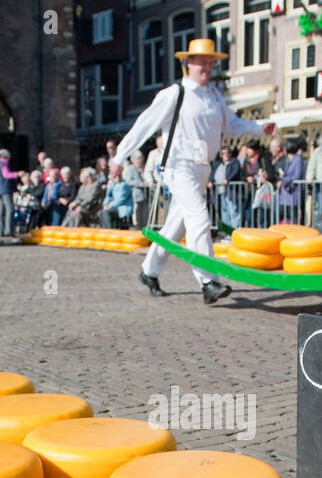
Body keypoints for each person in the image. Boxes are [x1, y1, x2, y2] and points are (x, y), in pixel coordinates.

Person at [112, 37, 274, 304]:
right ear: (189, 63)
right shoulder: (175, 93)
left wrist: (258, 128)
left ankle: (148, 271)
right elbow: (144, 124)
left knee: (176, 225)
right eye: (203, 63)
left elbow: (231, 126)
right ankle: (208, 282)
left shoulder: (213, 96)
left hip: (202, 168)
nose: (208, 69)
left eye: (212, 63)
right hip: (179, 166)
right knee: (199, 219)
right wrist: (120, 155)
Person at [0, 148, 21, 237]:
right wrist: (18, 174)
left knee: (0, 211)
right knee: (9, 209)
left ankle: (0, 230)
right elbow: (6, 175)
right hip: (5, 189)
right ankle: (8, 230)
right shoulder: (3, 165)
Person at [213, 146, 243, 230]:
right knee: (225, 214)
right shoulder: (219, 164)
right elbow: (213, 174)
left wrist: (228, 179)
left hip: (232, 193)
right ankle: (228, 234)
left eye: (227, 153)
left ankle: (235, 234)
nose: (225, 155)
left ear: (230, 154)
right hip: (222, 192)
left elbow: (235, 172)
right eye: (223, 153)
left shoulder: (235, 162)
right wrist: (210, 181)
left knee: (233, 213)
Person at [99, 162, 134, 229]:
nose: (117, 178)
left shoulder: (124, 185)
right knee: (101, 212)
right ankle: (104, 230)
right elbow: (108, 197)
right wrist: (105, 204)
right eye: (115, 176)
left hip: (121, 208)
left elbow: (120, 200)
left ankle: (109, 231)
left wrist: (109, 206)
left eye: (119, 176)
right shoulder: (112, 185)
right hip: (114, 207)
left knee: (106, 212)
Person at [278, 141, 306, 224]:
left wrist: (284, 179)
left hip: (294, 191)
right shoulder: (287, 159)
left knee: (294, 214)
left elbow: (297, 175)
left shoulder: (298, 159)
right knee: (286, 214)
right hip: (286, 191)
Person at [124, 152, 149, 229]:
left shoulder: (145, 167)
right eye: (137, 159)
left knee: (144, 213)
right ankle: (137, 228)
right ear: (133, 160)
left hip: (145, 195)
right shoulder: (130, 168)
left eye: (140, 158)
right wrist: (139, 183)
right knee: (136, 214)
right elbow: (128, 181)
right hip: (134, 196)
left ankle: (144, 227)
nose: (139, 160)